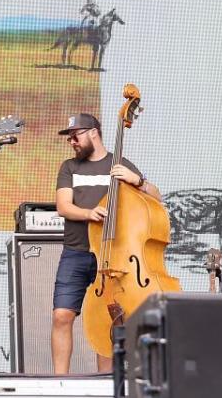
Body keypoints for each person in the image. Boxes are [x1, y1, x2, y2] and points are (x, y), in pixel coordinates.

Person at [50, 113, 161, 374]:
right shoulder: (69, 167)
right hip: (77, 252)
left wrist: (139, 182)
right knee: (61, 315)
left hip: (115, 255)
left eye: (75, 136)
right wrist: (89, 214)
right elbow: (63, 207)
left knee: (110, 321)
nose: (72, 142)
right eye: (69, 138)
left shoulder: (119, 163)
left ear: (93, 133)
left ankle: (107, 383)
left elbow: (157, 198)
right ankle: (58, 383)